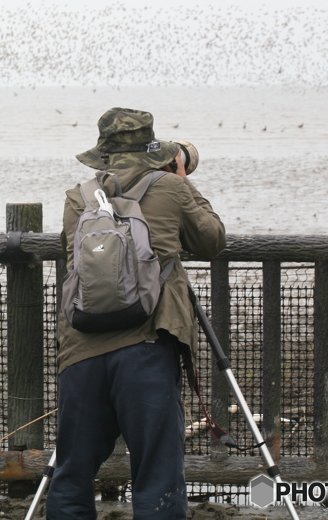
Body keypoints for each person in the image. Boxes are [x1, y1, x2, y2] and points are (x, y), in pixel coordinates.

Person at [47, 107, 226, 520]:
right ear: (152, 149)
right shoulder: (171, 187)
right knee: (157, 474)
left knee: (72, 472)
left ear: (103, 152)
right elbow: (212, 240)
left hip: (81, 350)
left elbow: (70, 255)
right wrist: (182, 181)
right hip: (147, 347)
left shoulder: (79, 196)